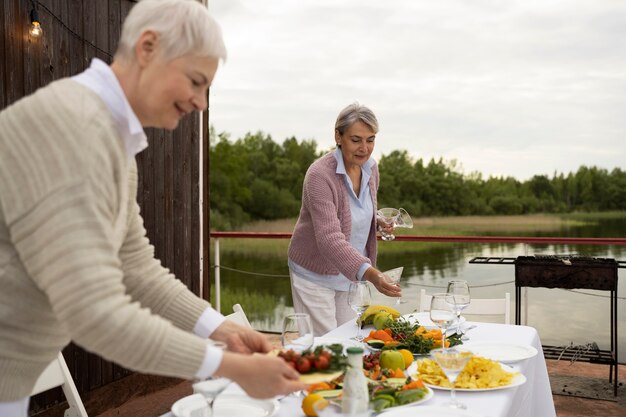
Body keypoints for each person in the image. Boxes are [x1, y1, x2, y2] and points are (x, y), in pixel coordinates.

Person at [0, 0, 305, 414]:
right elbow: (95, 312)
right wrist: (229, 367)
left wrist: (219, 328)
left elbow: (137, 267)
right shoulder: (76, 127)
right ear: (147, 47)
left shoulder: (112, 141)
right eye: (196, 82)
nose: (201, 102)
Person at [287, 103, 402, 336]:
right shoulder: (319, 175)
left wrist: (376, 221)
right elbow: (329, 238)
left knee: (350, 338)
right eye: (356, 139)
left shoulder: (371, 168)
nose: (364, 148)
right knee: (325, 346)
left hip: (350, 277)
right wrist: (372, 274)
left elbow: (356, 209)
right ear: (338, 137)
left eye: (370, 140)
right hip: (314, 274)